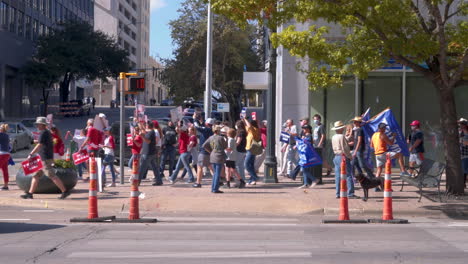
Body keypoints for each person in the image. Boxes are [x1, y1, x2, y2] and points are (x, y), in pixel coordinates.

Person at [21, 117, 70, 199]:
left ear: (43, 125)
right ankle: (30, 194)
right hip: (43, 157)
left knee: (52, 175)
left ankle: (65, 191)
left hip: (45, 158)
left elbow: (39, 145)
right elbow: (42, 143)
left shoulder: (44, 133)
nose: (37, 125)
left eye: (38, 124)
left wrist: (31, 153)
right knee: (36, 176)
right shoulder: (46, 132)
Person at [331, 121, 358, 199]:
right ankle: (350, 193)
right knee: (349, 175)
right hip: (343, 156)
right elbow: (345, 148)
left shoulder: (334, 137)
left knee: (338, 176)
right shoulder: (342, 136)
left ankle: (338, 193)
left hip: (336, 156)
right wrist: (350, 156)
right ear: (340, 129)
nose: (343, 129)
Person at [203, 125, 227, 193]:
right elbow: (225, 146)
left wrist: (210, 151)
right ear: (218, 131)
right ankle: (215, 188)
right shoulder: (220, 138)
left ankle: (213, 188)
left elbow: (204, 145)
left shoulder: (211, 137)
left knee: (215, 173)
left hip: (213, 155)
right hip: (219, 155)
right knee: (217, 173)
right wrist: (226, 138)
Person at [192, 115, 215, 188]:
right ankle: (217, 180)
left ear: (207, 124)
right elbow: (202, 127)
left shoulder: (206, 129)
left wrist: (194, 119)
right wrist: (200, 121)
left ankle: (198, 182)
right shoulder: (211, 130)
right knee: (210, 167)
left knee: (199, 167)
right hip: (210, 151)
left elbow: (197, 127)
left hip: (203, 151)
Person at [298, 124, 319, 189]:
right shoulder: (305, 136)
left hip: (307, 154)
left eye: (304, 129)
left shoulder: (309, 135)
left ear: (308, 130)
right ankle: (306, 183)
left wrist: (303, 140)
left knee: (304, 169)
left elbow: (307, 143)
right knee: (304, 168)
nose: (303, 130)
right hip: (304, 154)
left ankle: (314, 179)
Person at [312, 114, 331, 182]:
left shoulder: (321, 126)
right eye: (314, 119)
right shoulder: (315, 127)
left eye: (316, 119)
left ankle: (329, 169)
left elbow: (323, 136)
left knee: (322, 159)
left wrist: (320, 143)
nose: (315, 120)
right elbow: (315, 137)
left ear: (319, 119)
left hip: (321, 145)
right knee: (319, 159)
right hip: (315, 145)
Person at [243, 116, 261, 185]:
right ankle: (252, 180)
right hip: (251, 148)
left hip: (251, 149)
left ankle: (255, 177)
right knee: (251, 165)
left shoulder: (253, 130)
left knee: (246, 164)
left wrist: (245, 119)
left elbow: (249, 126)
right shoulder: (255, 130)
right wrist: (243, 120)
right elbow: (246, 126)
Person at [152, 120, 163, 186]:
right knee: (156, 163)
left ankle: (157, 176)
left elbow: (156, 140)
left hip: (156, 147)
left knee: (155, 163)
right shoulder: (158, 131)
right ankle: (157, 176)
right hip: (158, 147)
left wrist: (152, 144)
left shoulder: (156, 131)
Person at [0, 124, 10, 190]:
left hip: (1, 154)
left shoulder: (0, 134)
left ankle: (6, 186)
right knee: (5, 170)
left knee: (4, 170)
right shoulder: (7, 135)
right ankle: (6, 185)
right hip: (7, 154)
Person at [458, 118, 468, 188]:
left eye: (461, 123)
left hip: (465, 153)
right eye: (459, 123)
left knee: (465, 170)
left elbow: (466, 143)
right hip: (461, 153)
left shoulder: (466, 132)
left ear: (464, 125)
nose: (459, 125)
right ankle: (463, 183)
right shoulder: (460, 131)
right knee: (463, 170)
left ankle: (463, 183)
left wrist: (460, 141)